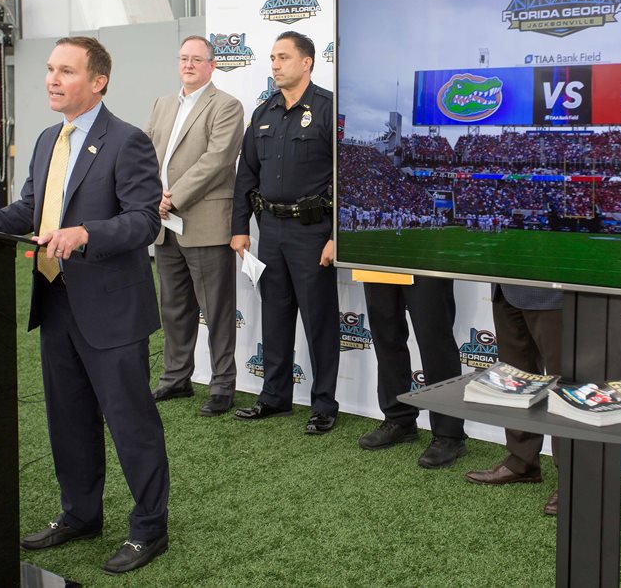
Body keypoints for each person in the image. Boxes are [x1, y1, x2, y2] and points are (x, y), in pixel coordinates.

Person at [0, 37, 170, 573]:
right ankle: (80, 514)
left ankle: (149, 529)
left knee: (130, 423)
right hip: (57, 302)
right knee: (67, 419)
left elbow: (144, 221)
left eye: (66, 70)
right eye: (49, 69)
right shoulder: (46, 140)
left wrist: (85, 232)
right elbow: (27, 211)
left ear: (98, 80)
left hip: (110, 310)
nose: (52, 79)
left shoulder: (127, 141)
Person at [230, 31, 339, 435]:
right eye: (272, 58)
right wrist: (239, 228)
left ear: (307, 62)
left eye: (283, 57)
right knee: (274, 315)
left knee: (319, 321)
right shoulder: (263, 113)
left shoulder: (329, 109)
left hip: (313, 232)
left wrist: (336, 236)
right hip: (269, 231)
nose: (274, 64)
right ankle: (274, 397)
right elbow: (247, 175)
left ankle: (324, 404)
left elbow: (346, 178)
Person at [145, 35, 245, 416]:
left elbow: (218, 159)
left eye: (196, 59)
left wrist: (173, 195)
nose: (188, 65)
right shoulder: (162, 104)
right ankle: (176, 378)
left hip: (202, 220)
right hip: (163, 222)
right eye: (183, 58)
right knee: (173, 307)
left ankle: (222, 385)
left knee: (217, 309)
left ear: (212, 65)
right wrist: (151, 194)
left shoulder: (227, 106)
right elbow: (144, 153)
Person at [465, 284, 563, 516]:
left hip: (554, 290)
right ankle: (522, 460)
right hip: (506, 286)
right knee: (515, 377)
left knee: (564, 386)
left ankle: (574, 478)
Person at [358, 276, 467, 468]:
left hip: (426, 252)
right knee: (385, 333)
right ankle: (399, 419)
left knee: (434, 338)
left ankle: (449, 434)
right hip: (376, 251)